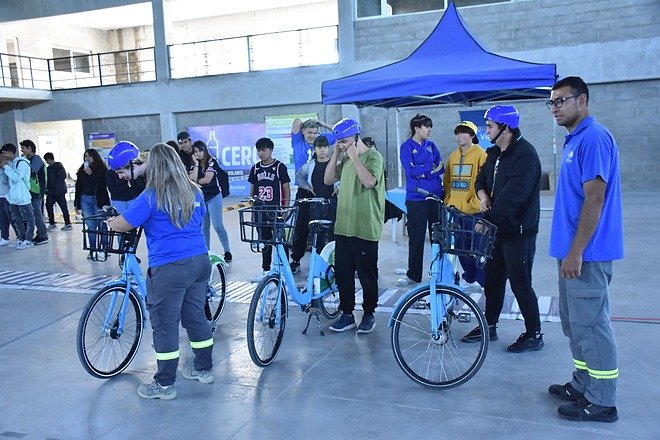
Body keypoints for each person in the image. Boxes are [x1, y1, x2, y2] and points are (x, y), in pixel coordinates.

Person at [107, 142, 214, 400]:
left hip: (169, 268)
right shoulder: (194, 190)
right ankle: (204, 369)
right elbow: (200, 221)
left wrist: (112, 223)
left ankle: (164, 384)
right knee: (196, 317)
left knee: (165, 326)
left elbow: (126, 223)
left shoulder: (152, 195)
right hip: (200, 261)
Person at [546, 76, 622, 423]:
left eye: (561, 101)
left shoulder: (594, 138)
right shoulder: (574, 140)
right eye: (552, 103)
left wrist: (577, 252)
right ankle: (583, 384)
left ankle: (602, 401)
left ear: (582, 100)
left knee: (591, 326)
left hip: (586, 255)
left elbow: (595, 199)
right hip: (571, 252)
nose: (555, 108)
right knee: (575, 326)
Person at [461, 105, 544, 353]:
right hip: (498, 230)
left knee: (521, 284)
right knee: (493, 281)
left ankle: (534, 334)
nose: (486, 131)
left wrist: (486, 222)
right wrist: (483, 194)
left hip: (519, 232)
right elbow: (480, 178)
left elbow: (512, 198)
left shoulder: (525, 156)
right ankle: (490, 325)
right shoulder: (495, 153)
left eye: (490, 126)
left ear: (506, 128)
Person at [324, 118, 384, 334]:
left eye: (345, 141)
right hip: (344, 227)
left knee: (367, 274)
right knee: (343, 273)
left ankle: (369, 313)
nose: (342, 145)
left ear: (357, 137)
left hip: (365, 226)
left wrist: (355, 158)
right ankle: (347, 313)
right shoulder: (343, 158)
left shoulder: (373, 157)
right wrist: (336, 155)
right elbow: (328, 180)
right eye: (339, 141)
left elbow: (369, 182)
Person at [396, 114, 444, 287]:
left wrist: (423, 171)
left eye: (430, 126)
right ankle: (413, 275)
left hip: (436, 197)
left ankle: (439, 273)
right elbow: (410, 171)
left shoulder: (431, 146)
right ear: (417, 128)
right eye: (426, 126)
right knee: (416, 239)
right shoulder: (406, 147)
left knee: (438, 238)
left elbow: (440, 167)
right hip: (416, 199)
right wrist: (429, 170)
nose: (429, 130)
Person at [443, 121, 487, 288]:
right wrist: (449, 199)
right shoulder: (453, 156)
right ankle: (469, 277)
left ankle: (483, 282)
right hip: (456, 211)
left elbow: (486, 182)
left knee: (478, 249)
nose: (459, 136)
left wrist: (476, 202)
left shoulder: (480, 154)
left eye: (463, 133)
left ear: (472, 136)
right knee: (461, 248)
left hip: (475, 212)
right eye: (457, 133)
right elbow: (447, 180)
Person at [290, 133, 338, 272]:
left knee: (334, 234)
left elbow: (342, 175)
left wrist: (338, 186)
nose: (322, 150)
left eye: (324, 147)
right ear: (314, 149)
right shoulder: (309, 165)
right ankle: (317, 266)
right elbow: (299, 177)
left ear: (328, 148)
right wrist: (306, 186)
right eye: (319, 147)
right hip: (315, 204)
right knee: (317, 235)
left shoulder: (334, 163)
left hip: (332, 203)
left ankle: (334, 265)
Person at [247, 137, 291, 283]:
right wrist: (253, 209)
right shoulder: (255, 168)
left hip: (276, 210)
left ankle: (284, 271)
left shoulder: (280, 167)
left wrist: (285, 208)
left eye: (264, 149)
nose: (261, 153)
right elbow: (252, 189)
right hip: (261, 211)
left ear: (271, 150)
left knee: (280, 241)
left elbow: (286, 188)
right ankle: (266, 270)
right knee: (264, 242)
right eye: (259, 150)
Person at [189, 140, 232, 262]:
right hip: (201, 199)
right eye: (195, 151)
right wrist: (196, 165)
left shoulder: (211, 162)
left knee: (218, 225)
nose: (198, 154)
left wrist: (196, 180)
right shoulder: (193, 164)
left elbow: (207, 179)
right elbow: (192, 180)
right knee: (204, 227)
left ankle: (227, 251)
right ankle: (205, 252)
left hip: (214, 197)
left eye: (200, 151)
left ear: (204, 150)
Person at [74, 149, 110, 259]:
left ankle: (104, 248)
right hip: (85, 199)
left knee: (102, 225)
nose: (87, 158)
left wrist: (92, 174)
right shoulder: (82, 170)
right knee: (90, 226)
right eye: (85, 156)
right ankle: (93, 249)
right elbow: (79, 186)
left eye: (89, 156)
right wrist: (77, 203)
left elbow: (103, 184)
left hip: (99, 199)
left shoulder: (101, 169)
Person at [1, 143, 35, 250]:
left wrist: (6, 167)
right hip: (13, 197)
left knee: (29, 219)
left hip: (23, 196)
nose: (4, 155)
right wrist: (3, 170)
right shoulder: (10, 164)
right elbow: (6, 180)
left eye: (5, 153)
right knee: (16, 219)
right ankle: (21, 239)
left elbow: (17, 177)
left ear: (11, 152)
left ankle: (29, 240)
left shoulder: (22, 163)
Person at [19, 140, 49, 245]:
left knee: (37, 214)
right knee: (35, 214)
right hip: (32, 191)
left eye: (23, 148)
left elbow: (31, 172)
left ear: (30, 148)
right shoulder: (29, 159)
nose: (22, 150)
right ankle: (40, 233)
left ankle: (43, 235)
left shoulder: (36, 160)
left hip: (36, 191)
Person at [105, 141, 146, 214]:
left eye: (121, 172)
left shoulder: (157, 176)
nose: (120, 177)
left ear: (132, 166)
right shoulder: (138, 181)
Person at [43, 152, 73, 231]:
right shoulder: (59, 167)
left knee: (52, 207)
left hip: (54, 191)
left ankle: (55, 224)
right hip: (59, 191)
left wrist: (48, 189)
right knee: (62, 207)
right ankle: (66, 223)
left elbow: (52, 180)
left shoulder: (53, 168)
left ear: (48, 159)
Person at [0, 154, 19, 247]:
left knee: (12, 218)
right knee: (2, 219)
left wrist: (4, 169)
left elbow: (7, 180)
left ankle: (19, 236)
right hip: (0, 196)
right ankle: (4, 237)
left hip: (8, 196)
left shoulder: (9, 166)